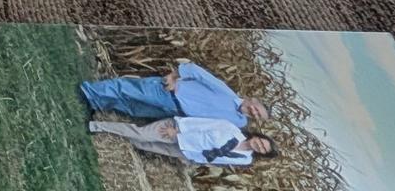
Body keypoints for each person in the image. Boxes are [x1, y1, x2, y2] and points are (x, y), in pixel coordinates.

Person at [80, 58, 268, 131]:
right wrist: (173, 77)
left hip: (174, 111)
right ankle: (88, 91)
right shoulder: (227, 92)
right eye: (257, 109)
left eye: (258, 116)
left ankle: (96, 103)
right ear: (253, 100)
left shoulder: (239, 122)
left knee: (132, 108)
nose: (254, 112)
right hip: (170, 93)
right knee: (127, 89)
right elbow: (197, 71)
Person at [88, 117, 278, 168]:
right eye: (261, 142)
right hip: (177, 131)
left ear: (260, 153)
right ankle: (98, 125)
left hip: (186, 152)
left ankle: (109, 137)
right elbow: (202, 124)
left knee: (142, 144)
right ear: (258, 137)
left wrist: (192, 160)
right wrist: (178, 130)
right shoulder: (231, 129)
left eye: (262, 149)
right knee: (141, 134)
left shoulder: (245, 160)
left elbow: (218, 160)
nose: (258, 146)